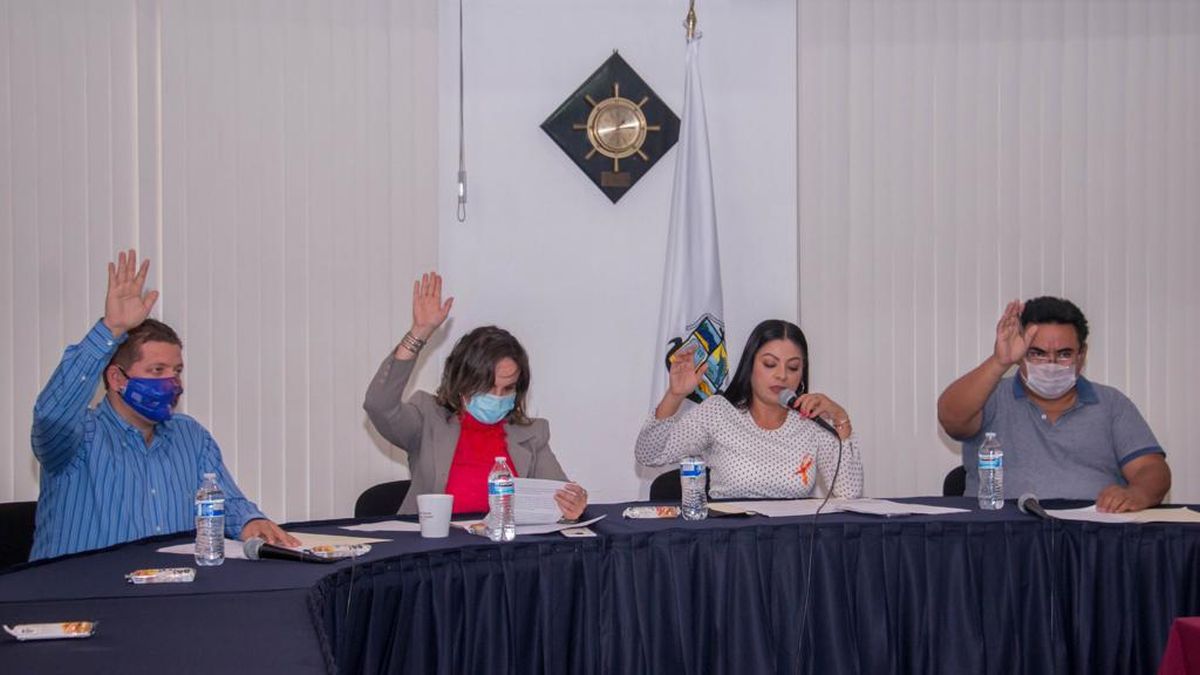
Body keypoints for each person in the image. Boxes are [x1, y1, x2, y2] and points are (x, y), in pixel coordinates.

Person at [30, 250, 297, 561]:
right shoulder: (78, 438)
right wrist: (110, 329)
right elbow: (52, 414)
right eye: (157, 371)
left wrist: (251, 522)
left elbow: (225, 502)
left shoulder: (190, 435)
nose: (173, 383)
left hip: (171, 585)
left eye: (177, 370)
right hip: (81, 589)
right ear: (117, 378)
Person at [363, 272, 588, 519]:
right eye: (487, 387)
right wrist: (419, 334)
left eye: (508, 388)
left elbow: (560, 499)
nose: (498, 397)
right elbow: (378, 404)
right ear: (463, 381)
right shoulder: (428, 419)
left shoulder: (532, 434)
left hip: (504, 542)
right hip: (434, 541)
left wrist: (572, 506)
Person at [937, 297, 1170, 512]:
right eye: (1037, 353)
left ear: (1082, 355)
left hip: (1092, 533)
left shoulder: (1111, 404)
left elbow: (1150, 469)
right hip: (1001, 533)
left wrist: (1137, 493)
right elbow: (951, 419)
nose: (1051, 364)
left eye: (1064, 354)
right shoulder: (989, 395)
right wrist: (999, 361)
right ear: (1020, 353)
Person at [636, 319, 863, 499]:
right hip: (730, 538)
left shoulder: (810, 422)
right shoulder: (719, 413)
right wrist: (675, 395)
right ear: (750, 366)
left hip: (792, 540)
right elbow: (649, 454)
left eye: (793, 367)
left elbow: (850, 493)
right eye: (770, 364)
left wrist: (840, 417)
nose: (782, 375)